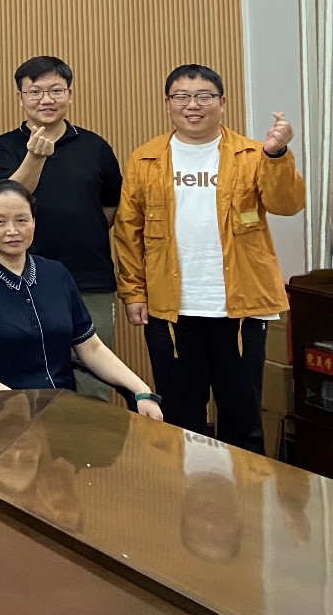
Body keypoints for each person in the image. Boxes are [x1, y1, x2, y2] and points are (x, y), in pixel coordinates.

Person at [113, 65, 305, 451]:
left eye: (203, 96)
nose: (193, 106)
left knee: (243, 419)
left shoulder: (253, 154)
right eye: (181, 97)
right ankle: (184, 491)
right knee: (180, 421)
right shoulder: (145, 158)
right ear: (168, 103)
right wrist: (133, 292)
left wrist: (277, 154)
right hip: (170, 311)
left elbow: (287, 204)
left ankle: (245, 490)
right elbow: (128, 230)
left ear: (222, 102)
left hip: (241, 309)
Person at [0, 181, 163, 419]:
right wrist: (7, 395)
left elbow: (92, 348)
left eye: (21, 220)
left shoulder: (56, 274)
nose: (12, 230)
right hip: (2, 413)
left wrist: (141, 390)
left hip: (63, 408)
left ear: (34, 222)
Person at [0, 56, 123, 400]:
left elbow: (110, 208)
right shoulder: (4, 146)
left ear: (70, 94)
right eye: (35, 92)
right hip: (20, 280)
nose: (46, 100)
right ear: (20, 97)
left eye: (56, 91)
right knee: (28, 378)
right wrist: (34, 157)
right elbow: (6, 202)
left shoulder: (95, 146)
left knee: (93, 381)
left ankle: (92, 438)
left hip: (89, 279)